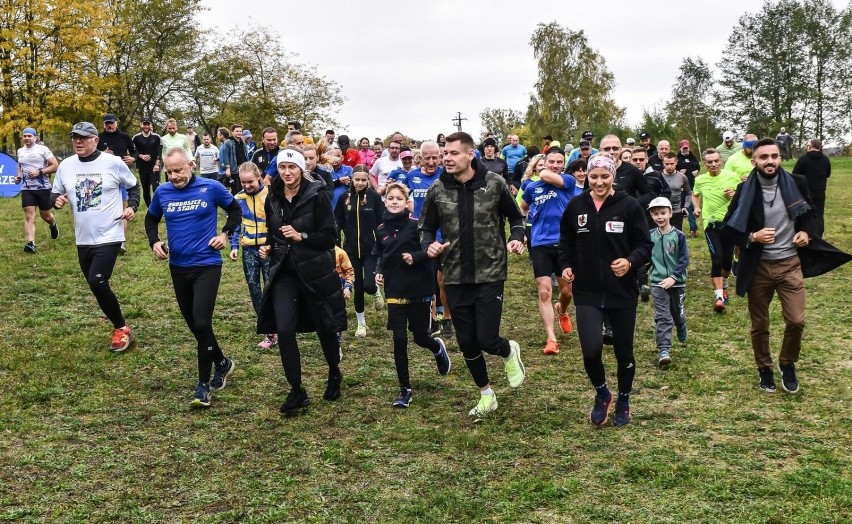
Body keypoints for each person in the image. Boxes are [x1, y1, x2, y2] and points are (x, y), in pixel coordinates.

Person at [419, 131, 526, 419]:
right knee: (466, 342)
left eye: (453, 153)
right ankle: (486, 395)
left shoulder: (494, 183)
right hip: (454, 273)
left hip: (490, 270)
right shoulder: (438, 189)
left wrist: (517, 236)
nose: (447, 158)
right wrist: (429, 245)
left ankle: (507, 351)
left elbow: (516, 218)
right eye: (445, 153)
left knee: (487, 339)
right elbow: (426, 228)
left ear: (470, 154)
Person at [558, 154, 652, 428]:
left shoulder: (629, 205)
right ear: (586, 176)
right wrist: (565, 265)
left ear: (613, 177)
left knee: (624, 352)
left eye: (605, 176)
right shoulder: (577, 205)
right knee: (590, 350)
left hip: (622, 292)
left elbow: (645, 245)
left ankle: (623, 399)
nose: (599, 182)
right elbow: (565, 241)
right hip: (587, 291)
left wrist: (631, 261)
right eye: (594, 176)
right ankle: (602, 393)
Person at [720, 138, 818, 394]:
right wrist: (752, 237)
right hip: (759, 267)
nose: (770, 161)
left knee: (796, 321)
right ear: (754, 161)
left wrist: (807, 232)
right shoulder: (745, 190)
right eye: (764, 157)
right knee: (760, 324)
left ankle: (787, 363)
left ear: (780, 157)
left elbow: (812, 215)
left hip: (790, 264)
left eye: (774, 156)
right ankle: (764, 369)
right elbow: (727, 229)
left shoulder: (797, 183)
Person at [145, 147, 241, 408]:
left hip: (207, 265)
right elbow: (151, 219)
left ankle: (202, 386)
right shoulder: (163, 192)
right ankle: (222, 362)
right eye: (170, 171)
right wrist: (154, 241)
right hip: (178, 267)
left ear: (191, 164)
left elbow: (235, 211)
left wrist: (224, 235)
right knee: (196, 326)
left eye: (179, 170)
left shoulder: (211, 188)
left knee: (201, 322)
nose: (175, 176)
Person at [257, 148, 346, 413]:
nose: (286, 173)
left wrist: (301, 236)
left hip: (314, 272)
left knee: (325, 327)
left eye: (291, 168)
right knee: (284, 330)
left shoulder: (317, 195)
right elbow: (274, 233)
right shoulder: (271, 196)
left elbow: (330, 237)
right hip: (285, 273)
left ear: (301, 170)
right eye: (282, 168)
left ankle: (334, 373)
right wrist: (269, 247)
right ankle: (297, 390)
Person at [51, 122, 140, 352]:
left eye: (83, 137)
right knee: (95, 284)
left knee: (97, 280)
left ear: (95, 140)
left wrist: (132, 207)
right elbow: (54, 194)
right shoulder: (66, 166)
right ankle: (120, 325)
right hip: (83, 238)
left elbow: (134, 187)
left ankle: (121, 328)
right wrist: (57, 201)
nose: (78, 142)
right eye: (74, 138)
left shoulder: (113, 162)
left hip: (110, 234)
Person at [375, 182, 452, 408]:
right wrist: (379, 271)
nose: (395, 202)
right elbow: (381, 254)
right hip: (395, 290)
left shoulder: (417, 225)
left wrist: (415, 257)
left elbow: (431, 251)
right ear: (386, 201)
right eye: (391, 199)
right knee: (399, 339)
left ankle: (437, 348)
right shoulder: (380, 229)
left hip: (418, 288)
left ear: (407, 202)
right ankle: (405, 389)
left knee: (420, 336)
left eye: (400, 198)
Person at [519, 148, 581, 355]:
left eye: (559, 162)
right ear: (544, 161)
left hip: (564, 244)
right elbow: (523, 207)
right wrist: (530, 223)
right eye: (551, 161)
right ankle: (551, 339)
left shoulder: (568, 181)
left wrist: (545, 169)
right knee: (544, 290)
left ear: (563, 164)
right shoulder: (532, 187)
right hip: (540, 244)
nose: (555, 165)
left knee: (567, 292)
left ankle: (562, 310)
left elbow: (545, 174)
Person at [229, 162, 276, 349]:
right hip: (249, 249)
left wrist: (272, 245)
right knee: (254, 288)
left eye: (250, 182)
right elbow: (235, 224)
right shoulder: (238, 198)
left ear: (259, 177)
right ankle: (269, 330)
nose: (247, 186)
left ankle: (278, 324)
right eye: (243, 182)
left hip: (268, 248)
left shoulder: (271, 195)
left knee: (270, 287)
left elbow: (277, 223)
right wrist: (234, 245)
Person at [334, 167, 386, 338]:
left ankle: (376, 291)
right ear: (352, 179)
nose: (360, 183)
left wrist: (381, 243)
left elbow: (382, 222)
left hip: (370, 249)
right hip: (350, 250)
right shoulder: (344, 198)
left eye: (364, 180)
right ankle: (361, 323)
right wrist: (337, 243)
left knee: (369, 285)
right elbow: (338, 221)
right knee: (358, 286)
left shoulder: (374, 198)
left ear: (367, 180)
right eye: (357, 179)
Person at [692, 148, 741, 312]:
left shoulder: (732, 177)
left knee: (727, 262)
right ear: (704, 164)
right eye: (709, 162)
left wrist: (734, 193)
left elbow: (741, 196)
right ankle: (719, 297)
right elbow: (695, 194)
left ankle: (724, 283)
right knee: (717, 258)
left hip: (728, 223)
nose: (713, 164)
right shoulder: (700, 180)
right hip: (710, 225)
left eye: (716, 161)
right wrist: (697, 207)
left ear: (721, 161)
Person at [646, 197, 689, 367]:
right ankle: (664, 350)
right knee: (663, 316)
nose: (660, 217)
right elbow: (647, 258)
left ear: (670, 213)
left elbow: (684, 260)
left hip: (677, 282)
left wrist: (673, 277)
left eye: (663, 213)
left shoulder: (679, 236)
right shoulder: (650, 236)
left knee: (676, 313)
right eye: (656, 214)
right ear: (651, 216)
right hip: (658, 282)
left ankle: (681, 323)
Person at [15, 127, 59, 253]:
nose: (27, 138)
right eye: (25, 136)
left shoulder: (42, 149)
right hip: (27, 188)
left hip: (43, 187)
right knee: (29, 214)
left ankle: (53, 224)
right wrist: (19, 176)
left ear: (35, 138)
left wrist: (39, 172)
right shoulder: (20, 151)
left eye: (29, 136)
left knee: (46, 215)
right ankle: (30, 243)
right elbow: (20, 166)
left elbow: (55, 166)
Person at [792, 138, 831, 238]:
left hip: (805, 192)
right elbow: (828, 174)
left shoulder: (803, 159)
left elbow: (795, 175)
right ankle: (819, 235)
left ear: (809, 146)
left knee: (805, 215)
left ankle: (804, 234)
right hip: (820, 192)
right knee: (819, 214)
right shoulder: (826, 159)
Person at [132, 117, 162, 206]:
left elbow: (159, 151)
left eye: (148, 124)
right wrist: (141, 156)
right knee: (146, 190)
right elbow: (133, 151)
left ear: (151, 125)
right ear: (141, 125)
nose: (146, 126)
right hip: (142, 167)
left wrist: (157, 164)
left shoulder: (156, 137)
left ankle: (157, 207)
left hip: (154, 167)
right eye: (144, 124)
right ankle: (150, 208)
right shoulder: (136, 138)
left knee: (156, 188)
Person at [660, 152, 692, 232]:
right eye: (666, 164)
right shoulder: (658, 176)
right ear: (663, 163)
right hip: (661, 211)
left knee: (676, 237)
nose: (669, 166)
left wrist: (685, 207)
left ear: (676, 162)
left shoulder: (682, 177)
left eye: (672, 164)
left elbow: (689, 193)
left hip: (676, 212)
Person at [676, 139, 701, 236]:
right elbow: (672, 168)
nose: (686, 149)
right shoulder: (677, 158)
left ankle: (693, 230)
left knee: (691, 208)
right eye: (684, 148)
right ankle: (679, 230)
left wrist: (697, 171)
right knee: (680, 209)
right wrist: (679, 172)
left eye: (687, 148)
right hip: (681, 187)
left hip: (691, 186)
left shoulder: (692, 157)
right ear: (680, 148)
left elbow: (697, 166)